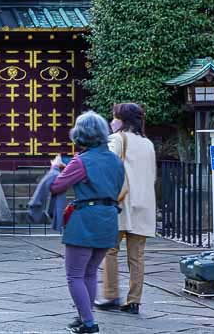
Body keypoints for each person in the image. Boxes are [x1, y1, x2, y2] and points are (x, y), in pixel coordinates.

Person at [51, 112, 125, 334]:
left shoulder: (81, 160)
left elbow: (57, 186)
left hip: (85, 220)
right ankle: (85, 315)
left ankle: (89, 322)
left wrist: (55, 167)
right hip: (109, 217)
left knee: (74, 274)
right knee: (91, 272)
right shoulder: (115, 159)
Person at [96, 103, 156, 316]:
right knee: (137, 256)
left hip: (121, 204)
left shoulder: (117, 139)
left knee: (110, 250)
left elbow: (108, 168)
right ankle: (134, 301)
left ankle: (110, 294)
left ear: (122, 120)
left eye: (114, 117)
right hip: (144, 203)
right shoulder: (147, 143)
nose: (111, 121)